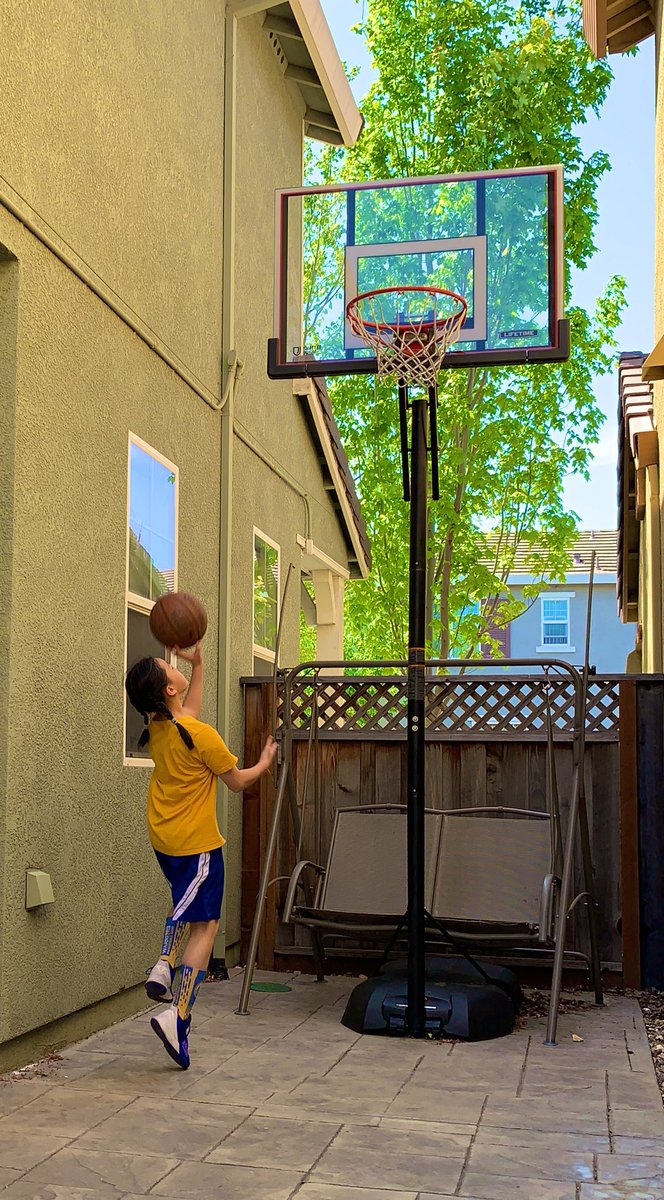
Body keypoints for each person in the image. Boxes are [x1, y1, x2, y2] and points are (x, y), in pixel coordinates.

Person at [125, 644, 277, 1070]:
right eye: (168, 667)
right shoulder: (201, 735)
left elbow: (186, 711)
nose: (174, 667)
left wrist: (199, 664)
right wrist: (264, 762)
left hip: (164, 837)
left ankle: (178, 1012)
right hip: (196, 843)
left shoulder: (160, 725)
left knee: (195, 911)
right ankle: (167, 976)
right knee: (205, 925)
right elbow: (237, 782)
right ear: (169, 688)